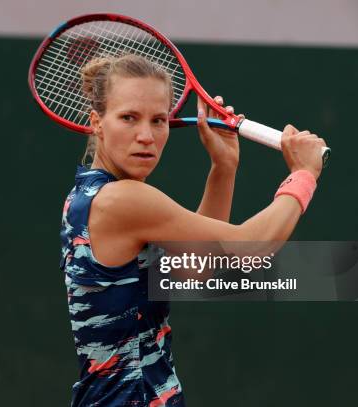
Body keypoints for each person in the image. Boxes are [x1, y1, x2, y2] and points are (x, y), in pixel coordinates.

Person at [59, 54, 325, 406]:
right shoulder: (122, 199)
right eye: (128, 118)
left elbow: (195, 268)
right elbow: (248, 248)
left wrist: (224, 167)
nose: (146, 135)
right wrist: (304, 174)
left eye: (158, 120)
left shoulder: (87, 195)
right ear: (97, 122)